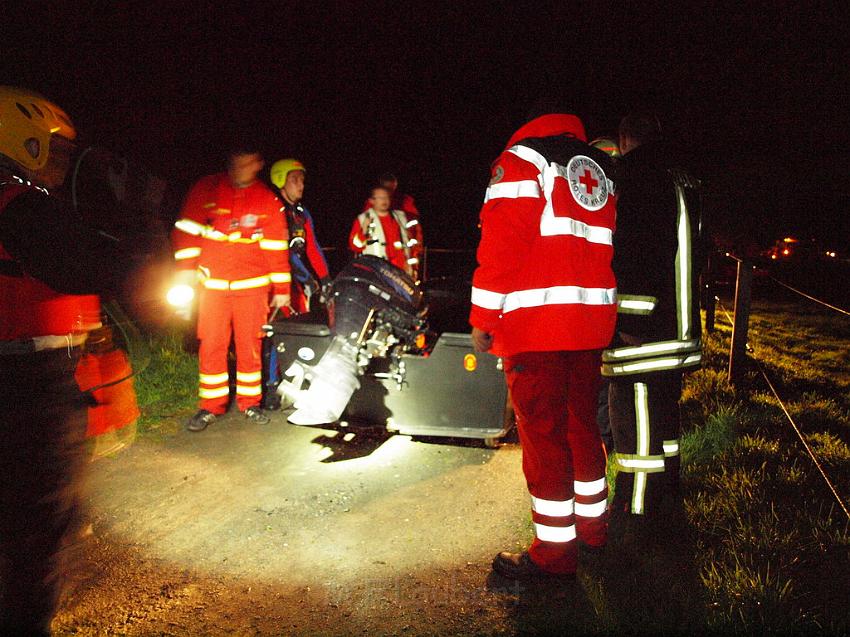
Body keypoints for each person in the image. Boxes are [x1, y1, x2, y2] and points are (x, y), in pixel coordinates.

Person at [0, 86, 131, 634]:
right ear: (21, 141)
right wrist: (128, 217)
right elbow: (94, 261)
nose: (63, 161)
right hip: (26, 385)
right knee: (37, 526)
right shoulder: (18, 204)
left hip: (33, 373)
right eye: (53, 149)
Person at [470, 109, 618, 580]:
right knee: (581, 428)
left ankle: (554, 555)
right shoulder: (598, 168)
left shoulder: (521, 160)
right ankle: (593, 531)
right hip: (589, 322)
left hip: (536, 326)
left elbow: (501, 245)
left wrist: (482, 317)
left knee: (543, 437)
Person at [603, 113, 702, 519]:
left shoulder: (638, 178)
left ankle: (637, 507)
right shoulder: (682, 179)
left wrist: (630, 320)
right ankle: (669, 490)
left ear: (625, 139)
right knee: (664, 413)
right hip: (678, 325)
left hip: (646, 331)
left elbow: (641, 253)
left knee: (635, 415)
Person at [172, 146, 291, 431]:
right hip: (212, 286)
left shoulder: (267, 200)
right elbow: (186, 232)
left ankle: (250, 404)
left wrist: (283, 288)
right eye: (236, 163)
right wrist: (186, 273)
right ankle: (210, 406)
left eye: (247, 164)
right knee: (212, 344)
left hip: (252, 288)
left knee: (250, 346)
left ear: (258, 164)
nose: (240, 169)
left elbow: (276, 247)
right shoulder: (206, 189)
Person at [269, 158, 330, 314]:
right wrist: (307, 278)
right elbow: (283, 253)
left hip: (294, 278)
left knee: (302, 315)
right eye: (294, 180)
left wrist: (325, 279)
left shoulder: (302, 213)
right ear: (280, 180)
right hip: (272, 280)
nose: (301, 185)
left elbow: (312, 247)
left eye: (302, 180)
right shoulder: (274, 210)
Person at [361, 173, 422, 277]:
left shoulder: (405, 202)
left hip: (401, 256)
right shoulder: (371, 203)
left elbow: (415, 230)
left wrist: (416, 254)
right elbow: (363, 230)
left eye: (391, 189)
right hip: (378, 255)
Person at [349, 185, 417, 277]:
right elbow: (355, 246)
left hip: (400, 271)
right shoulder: (363, 219)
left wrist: (412, 266)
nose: (384, 200)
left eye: (386, 197)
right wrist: (364, 231)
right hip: (376, 271)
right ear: (371, 200)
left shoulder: (400, 218)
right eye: (380, 198)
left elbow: (410, 244)